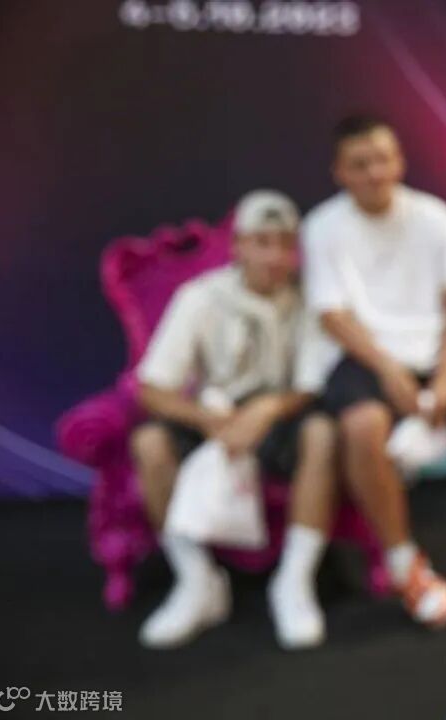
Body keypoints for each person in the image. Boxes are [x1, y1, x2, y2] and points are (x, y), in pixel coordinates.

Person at [302, 115, 446, 629]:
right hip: (365, 359)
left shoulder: (436, 217)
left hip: (437, 353)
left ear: (399, 161)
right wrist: (388, 370)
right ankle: (405, 565)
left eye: (382, 159)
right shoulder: (321, 226)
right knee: (363, 428)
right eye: (360, 164)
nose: (374, 172)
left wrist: (445, 378)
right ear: (339, 172)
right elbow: (333, 315)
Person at [131, 190, 341, 650]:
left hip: (279, 417)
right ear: (239, 246)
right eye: (262, 243)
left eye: (284, 244)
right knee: (149, 444)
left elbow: (310, 385)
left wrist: (266, 410)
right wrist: (207, 419)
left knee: (323, 432)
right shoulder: (200, 296)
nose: (274, 256)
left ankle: (294, 581)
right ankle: (196, 580)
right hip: (215, 413)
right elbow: (152, 387)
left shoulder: (309, 299)